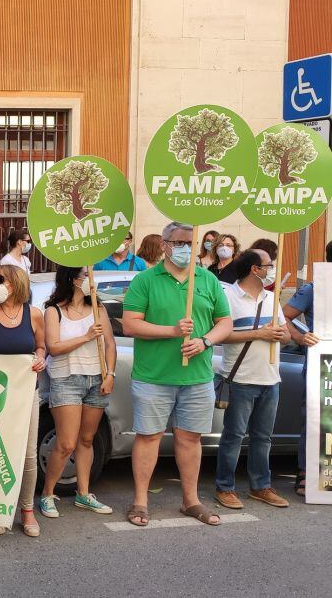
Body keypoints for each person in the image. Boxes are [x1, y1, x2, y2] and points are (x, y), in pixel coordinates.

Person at [121, 221, 233, 528]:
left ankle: (191, 500)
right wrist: (171, 331)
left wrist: (205, 340)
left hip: (197, 377)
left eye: (190, 242)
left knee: (190, 439)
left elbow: (225, 322)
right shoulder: (145, 280)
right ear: (165, 244)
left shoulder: (207, 280)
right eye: (179, 242)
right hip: (153, 376)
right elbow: (130, 324)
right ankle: (140, 501)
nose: (185, 248)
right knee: (149, 437)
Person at [213, 249, 292, 511]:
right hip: (240, 378)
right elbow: (221, 335)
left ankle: (261, 486)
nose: (272, 269)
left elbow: (286, 334)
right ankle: (225, 487)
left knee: (263, 437)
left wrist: (281, 335)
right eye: (268, 265)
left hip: (271, 379)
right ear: (254, 269)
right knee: (233, 436)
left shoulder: (272, 298)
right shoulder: (228, 296)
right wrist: (260, 333)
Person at [0, 265, 47, 537]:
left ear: (14, 283)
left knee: (27, 453)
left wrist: (40, 358)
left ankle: (27, 510)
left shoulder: (34, 315)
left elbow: (40, 346)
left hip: (26, 392)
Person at [39, 266, 116, 519]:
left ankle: (84, 493)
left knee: (87, 439)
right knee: (66, 443)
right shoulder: (54, 311)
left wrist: (110, 374)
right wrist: (85, 336)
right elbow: (53, 347)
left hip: (97, 379)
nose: (90, 281)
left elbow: (110, 344)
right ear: (72, 279)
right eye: (85, 276)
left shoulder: (99, 309)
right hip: (66, 379)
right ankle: (47, 494)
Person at [284, 240, 330, 496]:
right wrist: (301, 338)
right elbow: (284, 316)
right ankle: (306, 474)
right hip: (321, 363)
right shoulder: (314, 289)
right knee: (315, 419)